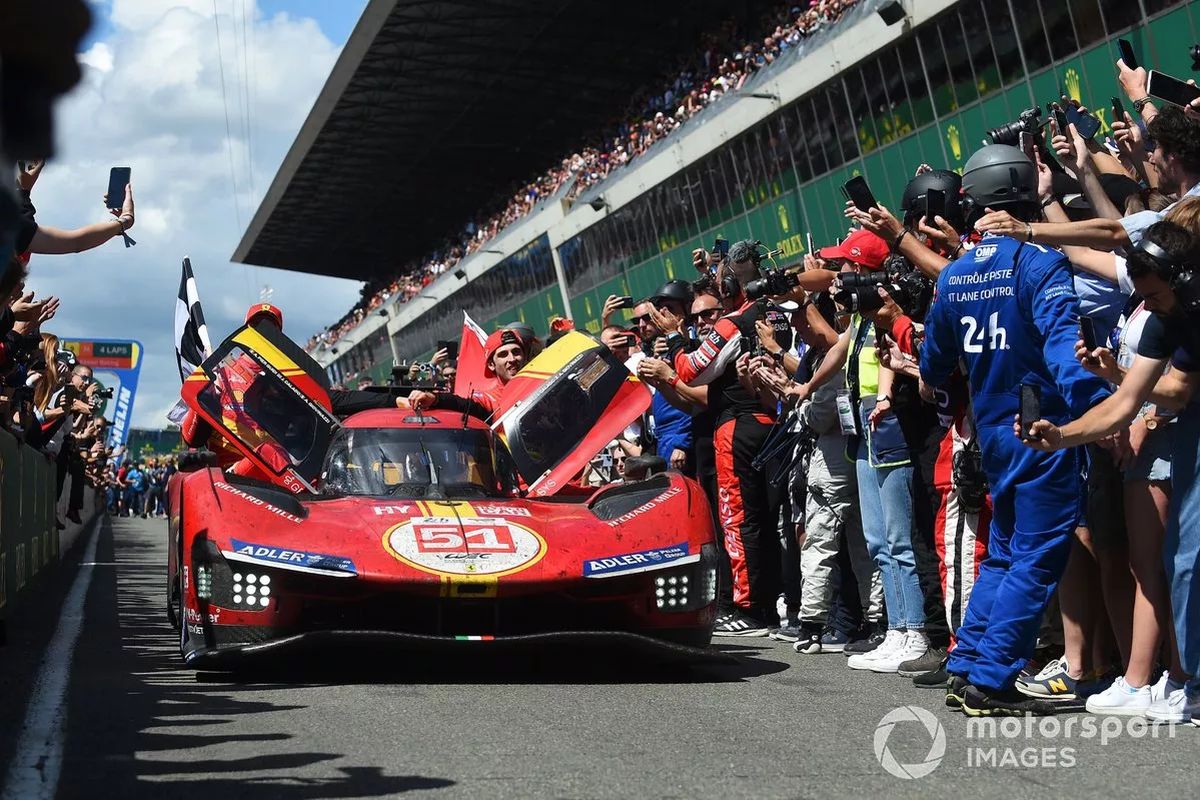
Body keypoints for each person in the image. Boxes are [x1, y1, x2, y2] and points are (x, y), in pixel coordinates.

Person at [920, 144, 1110, 716]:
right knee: (1036, 555)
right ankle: (992, 678)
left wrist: (954, 396)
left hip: (993, 429)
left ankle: (966, 664)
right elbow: (1064, 349)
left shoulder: (953, 275)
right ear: (1023, 189)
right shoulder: (1036, 261)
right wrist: (1104, 415)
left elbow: (933, 365)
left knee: (1003, 549)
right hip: (1042, 424)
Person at [1023, 220, 1200, 724]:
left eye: (1158, 295)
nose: (1153, 307)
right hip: (1190, 433)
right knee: (1184, 560)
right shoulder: (1170, 317)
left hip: (1182, 436)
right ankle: (1190, 680)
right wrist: (1062, 435)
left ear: (1184, 277)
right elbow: (1135, 398)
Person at [651, 239, 793, 635]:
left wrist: (677, 338)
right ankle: (776, 606)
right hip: (774, 423)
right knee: (770, 520)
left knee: (738, 519)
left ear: (729, 291)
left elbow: (692, 369)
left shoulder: (735, 321)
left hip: (738, 429)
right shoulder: (780, 309)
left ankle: (749, 610)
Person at [410, 328, 526, 418]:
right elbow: (462, 404)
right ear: (491, 365)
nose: (512, 359)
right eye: (503, 355)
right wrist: (435, 399)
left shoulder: (541, 381)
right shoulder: (488, 399)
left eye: (516, 352)